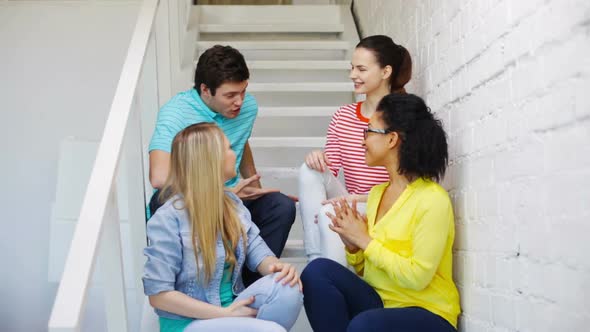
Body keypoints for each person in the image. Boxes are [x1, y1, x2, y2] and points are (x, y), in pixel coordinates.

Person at [301, 94, 461, 332]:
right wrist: (353, 246)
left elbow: (417, 278)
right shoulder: (378, 193)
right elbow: (369, 271)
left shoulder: (432, 199)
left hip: (427, 312)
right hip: (381, 304)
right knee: (317, 271)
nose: (362, 140)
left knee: (364, 325)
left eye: (369, 131)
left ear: (392, 139)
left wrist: (364, 240)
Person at [148, 45, 296, 285]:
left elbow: (241, 141)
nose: (239, 101)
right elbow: (159, 178)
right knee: (163, 200)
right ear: (205, 90)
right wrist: (218, 193)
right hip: (189, 202)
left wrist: (253, 183)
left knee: (281, 206)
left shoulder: (247, 108)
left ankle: (250, 287)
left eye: (243, 91)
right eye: (230, 95)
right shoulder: (175, 114)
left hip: (231, 198)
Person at [143, 123, 303, 332]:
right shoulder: (167, 219)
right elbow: (158, 295)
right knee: (273, 330)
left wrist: (279, 268)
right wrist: (223, 314)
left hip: (230, 309)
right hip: (187, 323)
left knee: (287, 286)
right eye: (228, 148)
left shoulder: (232, 204)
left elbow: (258, 251)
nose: (234, 152)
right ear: (211, 159)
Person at [299, 35, 412, 264]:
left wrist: (356, 199)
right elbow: (330, 166)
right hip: (352, 200)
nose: (353, 76)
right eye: (352, 68)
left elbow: (409, 185)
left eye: (361, 69)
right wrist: (318, 158)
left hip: (385, 203)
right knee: (309, 170)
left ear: (385, 72)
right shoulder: (343, 116)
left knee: (328, 212)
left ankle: (332, 277)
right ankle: (315, 261)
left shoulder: (405, 116)